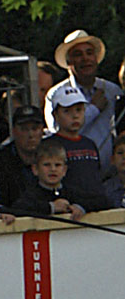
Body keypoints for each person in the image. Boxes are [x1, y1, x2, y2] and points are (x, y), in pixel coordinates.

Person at [47, 28, 121, 170]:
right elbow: (56, 133)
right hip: (74, 176)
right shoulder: (57, 94)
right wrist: (93, 109)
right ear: (69, 62)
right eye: (78, 54)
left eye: (89, 53)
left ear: (96, 58)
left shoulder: (112, 90)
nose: (85, 58)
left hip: (111, 179)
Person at [44, 81, 108, 214]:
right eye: (67, 111)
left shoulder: (89, 144)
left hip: (95, 209)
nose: (75, 116)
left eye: (79, 110)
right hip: (67, 212)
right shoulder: (50, 145)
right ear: (55, 114)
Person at [13, 138, 85, 221]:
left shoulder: (72, 191)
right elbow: (17, 208)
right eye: (47, 165)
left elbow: (100, 200)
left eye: (57, 165)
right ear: (35, 169)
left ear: (64, 170)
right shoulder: (31, 194)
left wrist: (80, 207)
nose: (53, 169)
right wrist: (51, 207)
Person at [0, 104, 46, 207]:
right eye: (24, 129)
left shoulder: (52, 155)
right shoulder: (0, 162)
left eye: (35, 128)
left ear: (42, 130)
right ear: (14, 131)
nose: (30, 135)